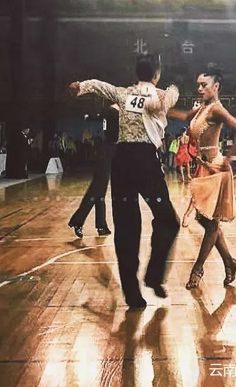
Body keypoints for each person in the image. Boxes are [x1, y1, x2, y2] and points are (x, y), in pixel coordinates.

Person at [69, 53, 180, 309]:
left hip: (122, 163)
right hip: (146, 162)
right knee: (167, 220)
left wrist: (80, 86)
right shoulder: (161, 96)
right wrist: (169, 90)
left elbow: (100, 85)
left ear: (136, 73)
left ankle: (132, 293)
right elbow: (170, 97)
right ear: (157, 74)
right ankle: (154, 276)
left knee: (126, 225)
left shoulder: (123, 94)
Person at [178, 70, 236, 289]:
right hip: (203, 168)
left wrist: (227, 158)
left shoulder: (216, 108)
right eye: (198, 84)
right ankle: (230, 262)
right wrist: (163, 108)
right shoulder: (202, 108)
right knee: (204, 219)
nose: (199, 88)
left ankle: (198, 268)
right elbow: (184, 117)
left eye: (204, 85)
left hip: (215, 170)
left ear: (216, 86)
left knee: (211, 222)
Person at [68, 103, 119, 238]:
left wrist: (87, 116)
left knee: (100, 191)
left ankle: (101, 226)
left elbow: (96, 117)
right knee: (97, 189)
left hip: (107, 150)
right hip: (107, 151)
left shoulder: (109, 111)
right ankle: (78, 220)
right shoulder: (114, 112)